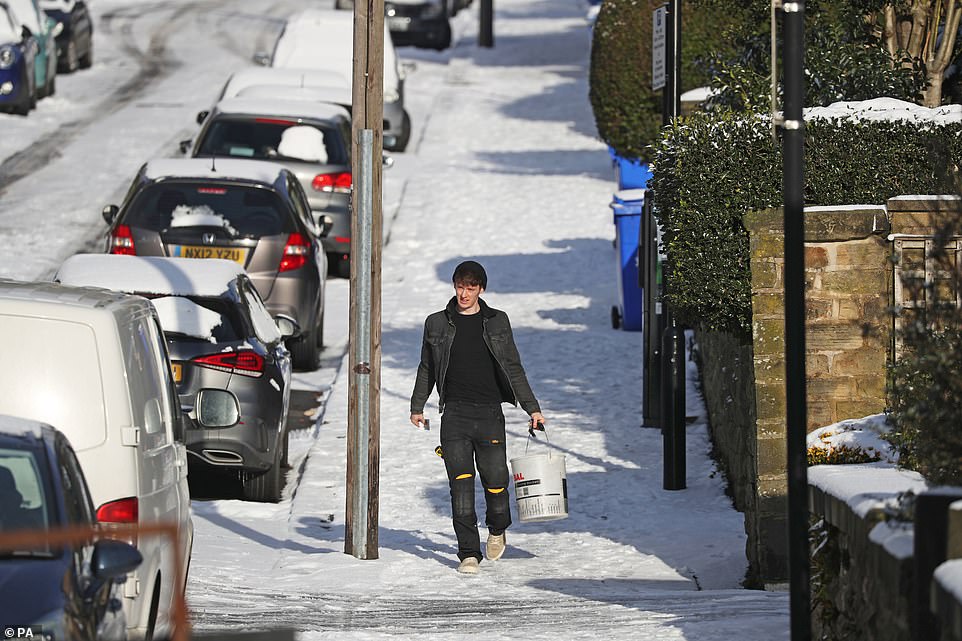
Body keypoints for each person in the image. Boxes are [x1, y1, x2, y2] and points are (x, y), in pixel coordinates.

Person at [410, 260, 546, 575]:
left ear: (481, 289)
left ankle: (497, 528)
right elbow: (427, 367)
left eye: (471, 287)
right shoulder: (436, 323)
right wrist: (418, 405)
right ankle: (468, 552)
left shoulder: (497, 322)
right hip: (454, 414)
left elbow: (513, 366)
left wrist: (532, 408)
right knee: (460, 486)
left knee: (496, 483)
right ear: (454, 286)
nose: (464, 293)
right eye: (460, 286)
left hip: (489, 413)